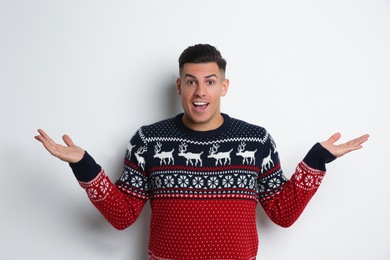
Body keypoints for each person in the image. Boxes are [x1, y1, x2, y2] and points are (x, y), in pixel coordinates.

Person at [35, 44, 369, 260]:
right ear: (180, 86)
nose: (200, 91)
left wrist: (316, 160)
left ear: (223, 86)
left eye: (210, 81)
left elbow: (282, 213)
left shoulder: (255, 141)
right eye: (191, 81)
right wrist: (83, 164)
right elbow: (123, 217)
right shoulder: (148, 140)